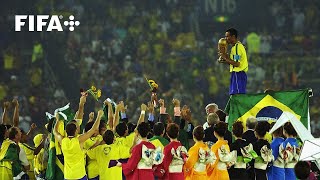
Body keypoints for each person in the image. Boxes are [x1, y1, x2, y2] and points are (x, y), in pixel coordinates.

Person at [54, 103, 103, 180]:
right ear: (76, 130)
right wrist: (99, 116)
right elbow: (93, 129)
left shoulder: (63, 140)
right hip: (80, 175)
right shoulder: (79, 140)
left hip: (68, 176)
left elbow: (55, 132)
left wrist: (57, 120)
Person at [219, 28, 249, 95]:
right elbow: (234, 62)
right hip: (238, 74)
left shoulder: (236, 47)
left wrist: (225, 58)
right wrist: (225, 60)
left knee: (237, 95)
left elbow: (237, 64)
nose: (226, 39)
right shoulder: (236, 46)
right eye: (225, 36)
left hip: (238, 74)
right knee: (235, 95)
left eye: (227, 36)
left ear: (233, 37)